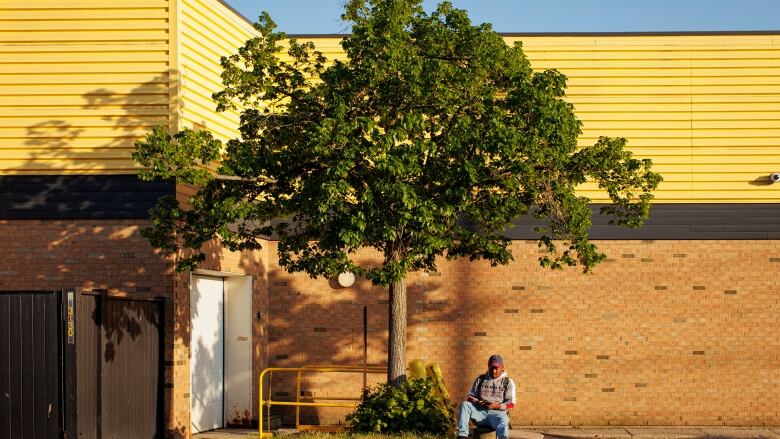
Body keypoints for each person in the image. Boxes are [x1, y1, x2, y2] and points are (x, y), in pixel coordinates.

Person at [457, 354, 516, 439]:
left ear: (502, 367)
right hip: (480, 413)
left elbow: (512, 404)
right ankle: (462, 436)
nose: (494, 371)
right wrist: (478, 402)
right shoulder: (481, 379)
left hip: (496, 415)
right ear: (488, 366)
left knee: (504, 418)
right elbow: (470, 397)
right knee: (465, 405)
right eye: (492, 368)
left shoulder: (508, 382)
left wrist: (497, 406)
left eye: (497, 368)